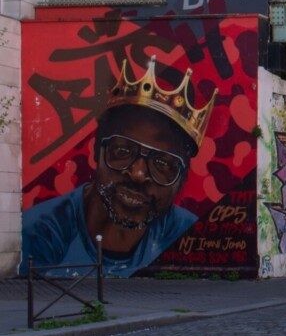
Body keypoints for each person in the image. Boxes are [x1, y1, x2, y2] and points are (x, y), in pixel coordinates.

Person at [21, 55, 216, 278]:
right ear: (97, 151)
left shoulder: (187, 234)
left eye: (162, 164)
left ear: (182, 179)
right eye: (122, 152)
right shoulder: (40, 233)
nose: (138, 174)